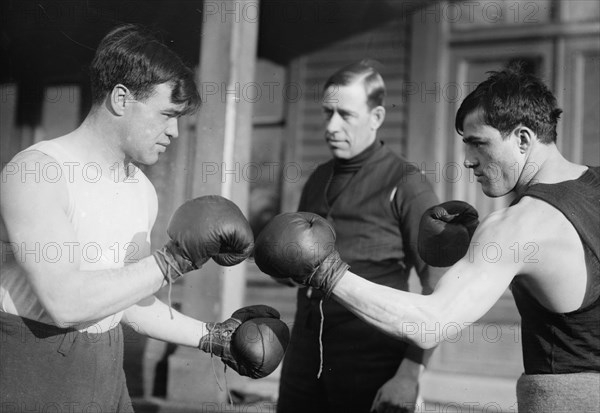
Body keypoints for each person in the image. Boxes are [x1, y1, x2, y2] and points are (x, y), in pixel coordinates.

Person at [254, 64, 600, 412]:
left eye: (478, 144)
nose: (467, 161)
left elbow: (430, 323)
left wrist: (327, 272)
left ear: (523, 139)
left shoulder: (515, 226)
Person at [0, 24, 288, 412]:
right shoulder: (37, 173)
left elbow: (127, 300)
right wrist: (173, 260)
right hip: (33, 373)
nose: (174, 132)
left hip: (106, 377)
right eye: (166, 114)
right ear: (121, 99)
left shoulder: (141, 189)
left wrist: (213, 337)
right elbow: (65, 303)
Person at [274, 60, 445, 413]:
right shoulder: (318, 178)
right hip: (305, 355)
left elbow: (440, 290)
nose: (331, 126)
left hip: (373, 359)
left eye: (345, 115)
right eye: (327, 113)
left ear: (377, 116)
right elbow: (300, 267)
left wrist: (410, 373)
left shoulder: (407, 183)